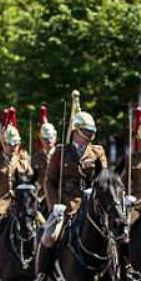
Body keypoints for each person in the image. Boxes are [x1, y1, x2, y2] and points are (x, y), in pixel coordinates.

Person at [42, 91, 107, 245]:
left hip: (92, 205)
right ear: (76, 131)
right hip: (66, 205)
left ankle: (125, 267)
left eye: (91, 131)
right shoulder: (60, 152)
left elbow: (105, 179)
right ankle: (43, 269)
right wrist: (54, 206)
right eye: (86, 131)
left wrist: (97, 191)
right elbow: (49, 181)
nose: (90, 135)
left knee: (117, 234)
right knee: (49, 239)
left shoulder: (97, 152)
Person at [0, 107, 37, 258]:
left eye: (16, 143)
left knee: (43, 226)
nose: (13, 147)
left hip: (22, 204)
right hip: (1, 206)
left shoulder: (24, 161)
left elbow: (32, 182)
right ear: (3, 143)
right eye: (9, 144)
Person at [30, 105, 57, 211]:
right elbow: (31, 180)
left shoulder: (62, 155)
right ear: (41, 139)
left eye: (50, 137)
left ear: (55, 137)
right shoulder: (35, 158)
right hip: (41, 199)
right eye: (45, 138)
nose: (48, 141)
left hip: (60, 198)